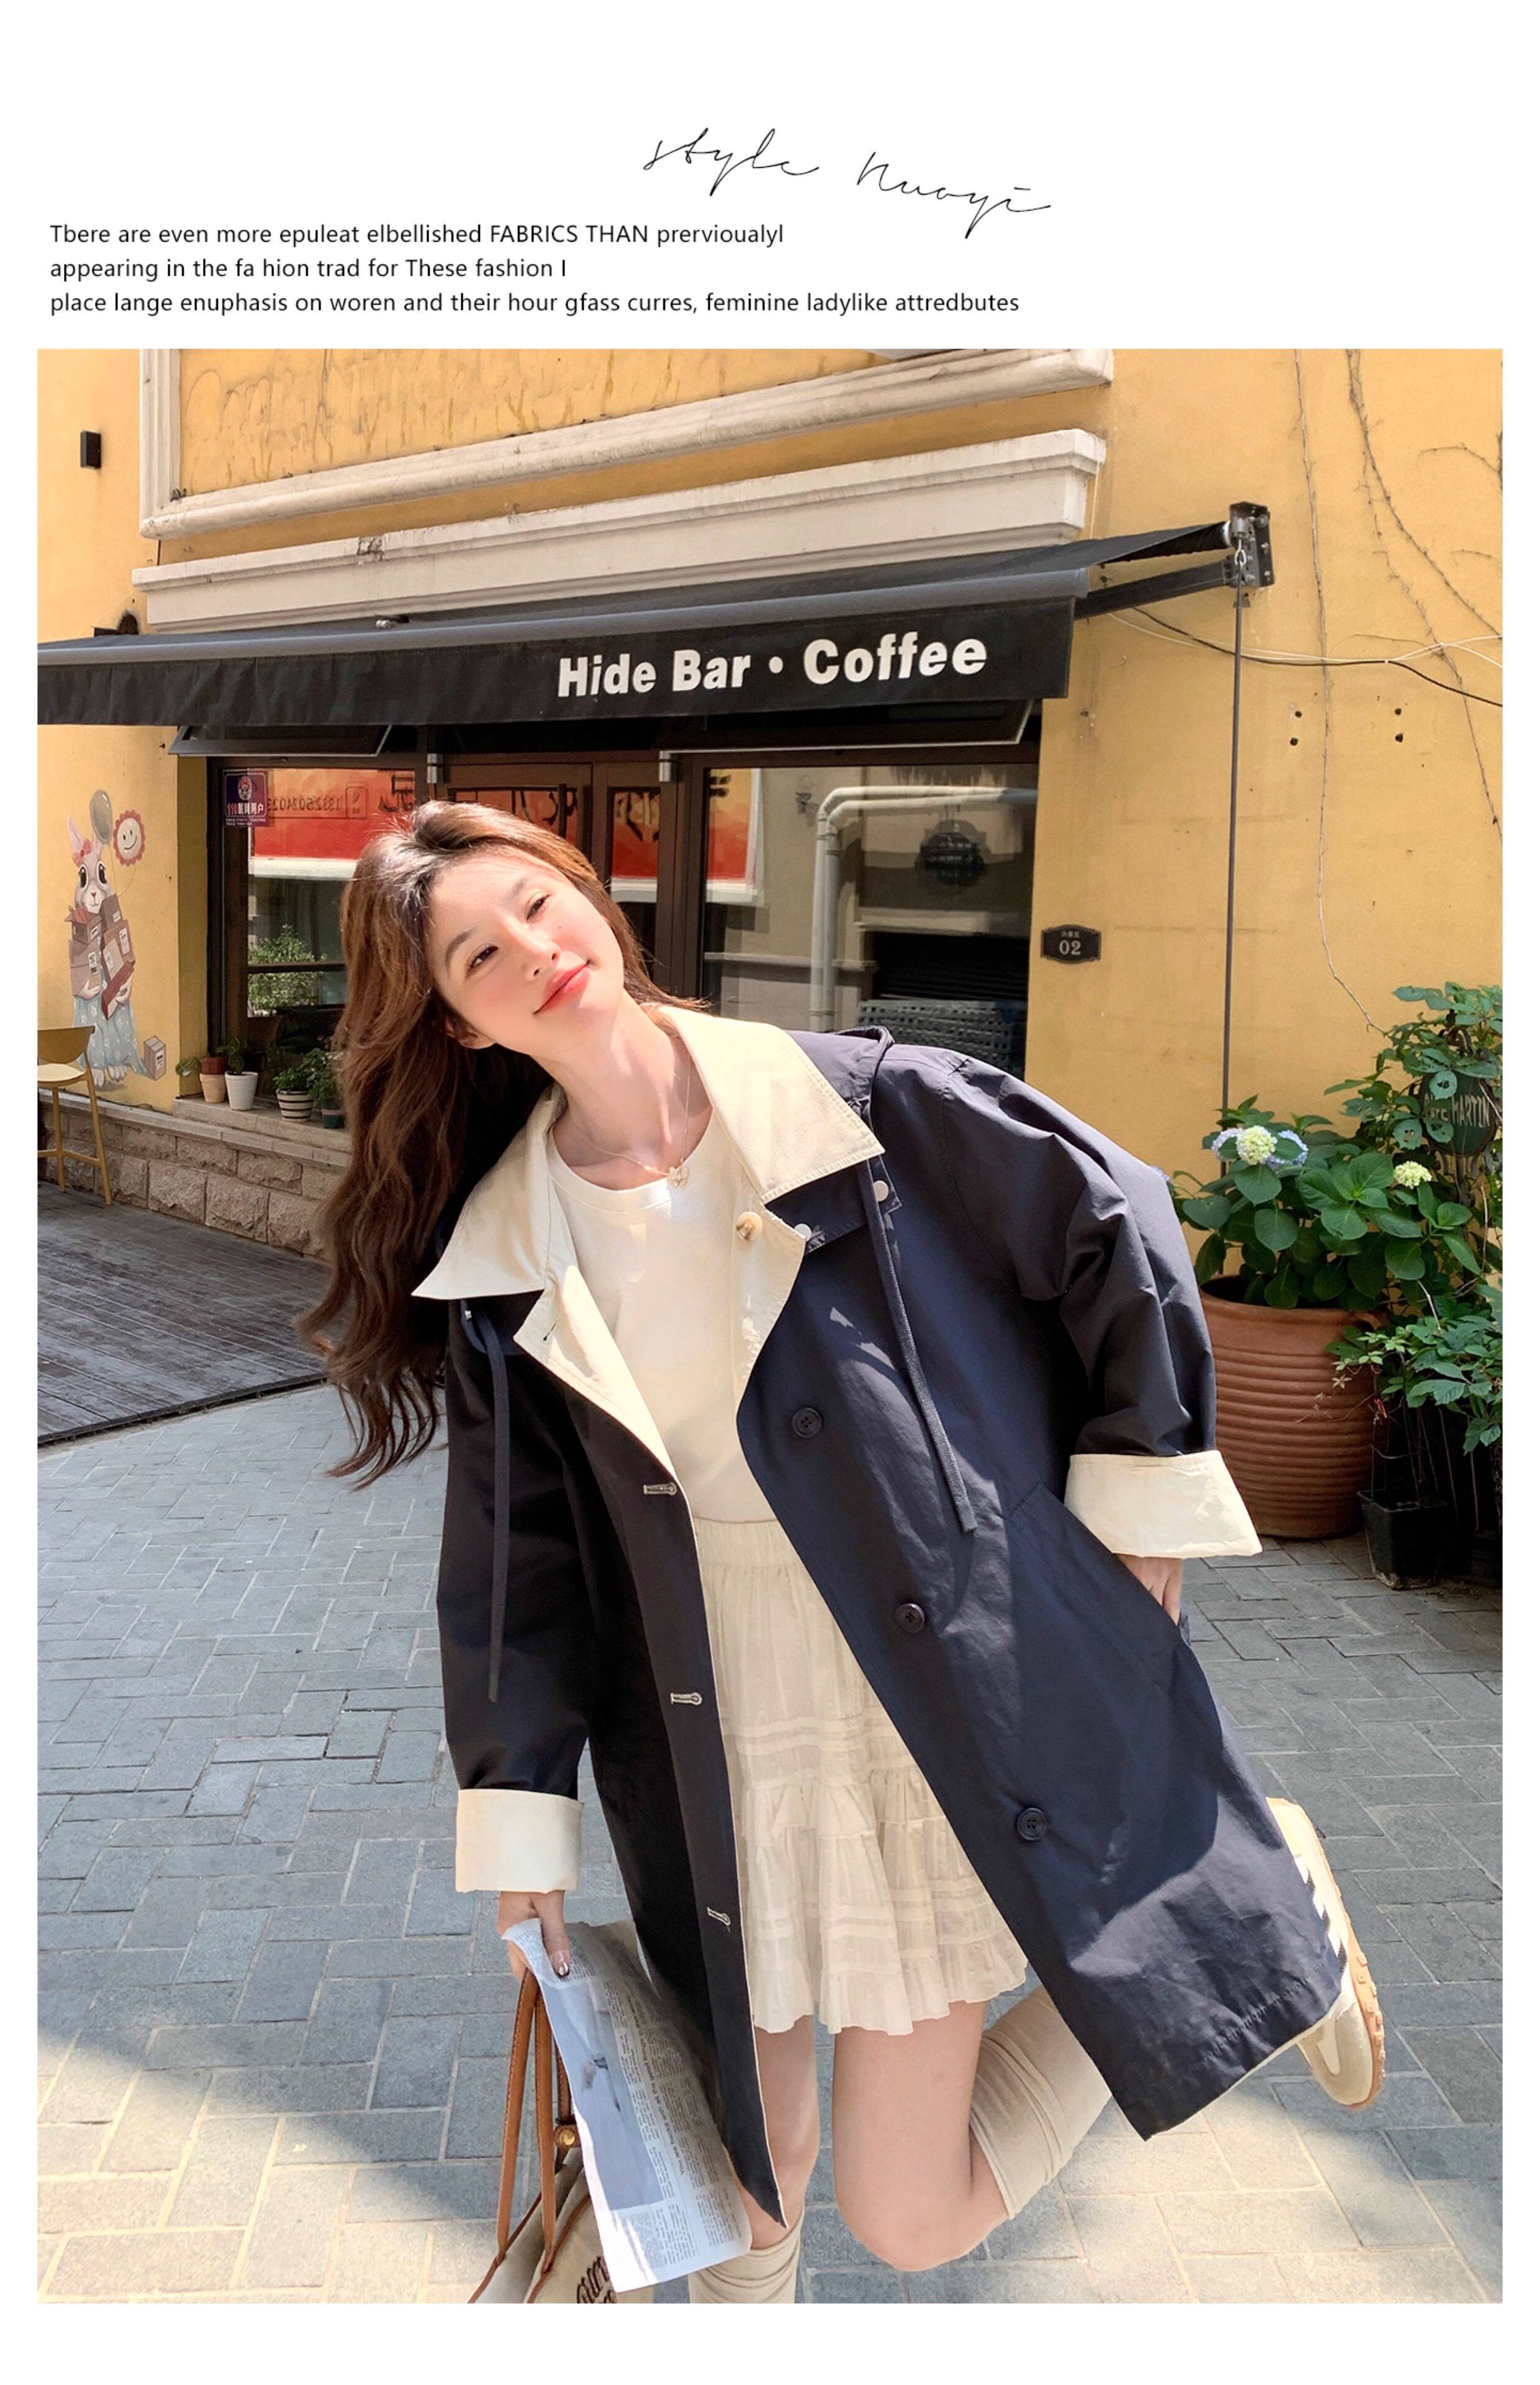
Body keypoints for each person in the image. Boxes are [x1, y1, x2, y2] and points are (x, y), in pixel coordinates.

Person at [302, 801, 1384, 2304]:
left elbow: (1117, 1222)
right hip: (704, 1724)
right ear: (459, 1025)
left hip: (921, 1686)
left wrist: (1139, 1504)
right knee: (745, 2185)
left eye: (537, 905)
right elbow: (513, 1566)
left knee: (907, 2211)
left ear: (591, 902)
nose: (532, 953)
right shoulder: (508, 1254)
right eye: (478, 957)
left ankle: (1249, 1899)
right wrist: (521, 1831)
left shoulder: (865, 1108)